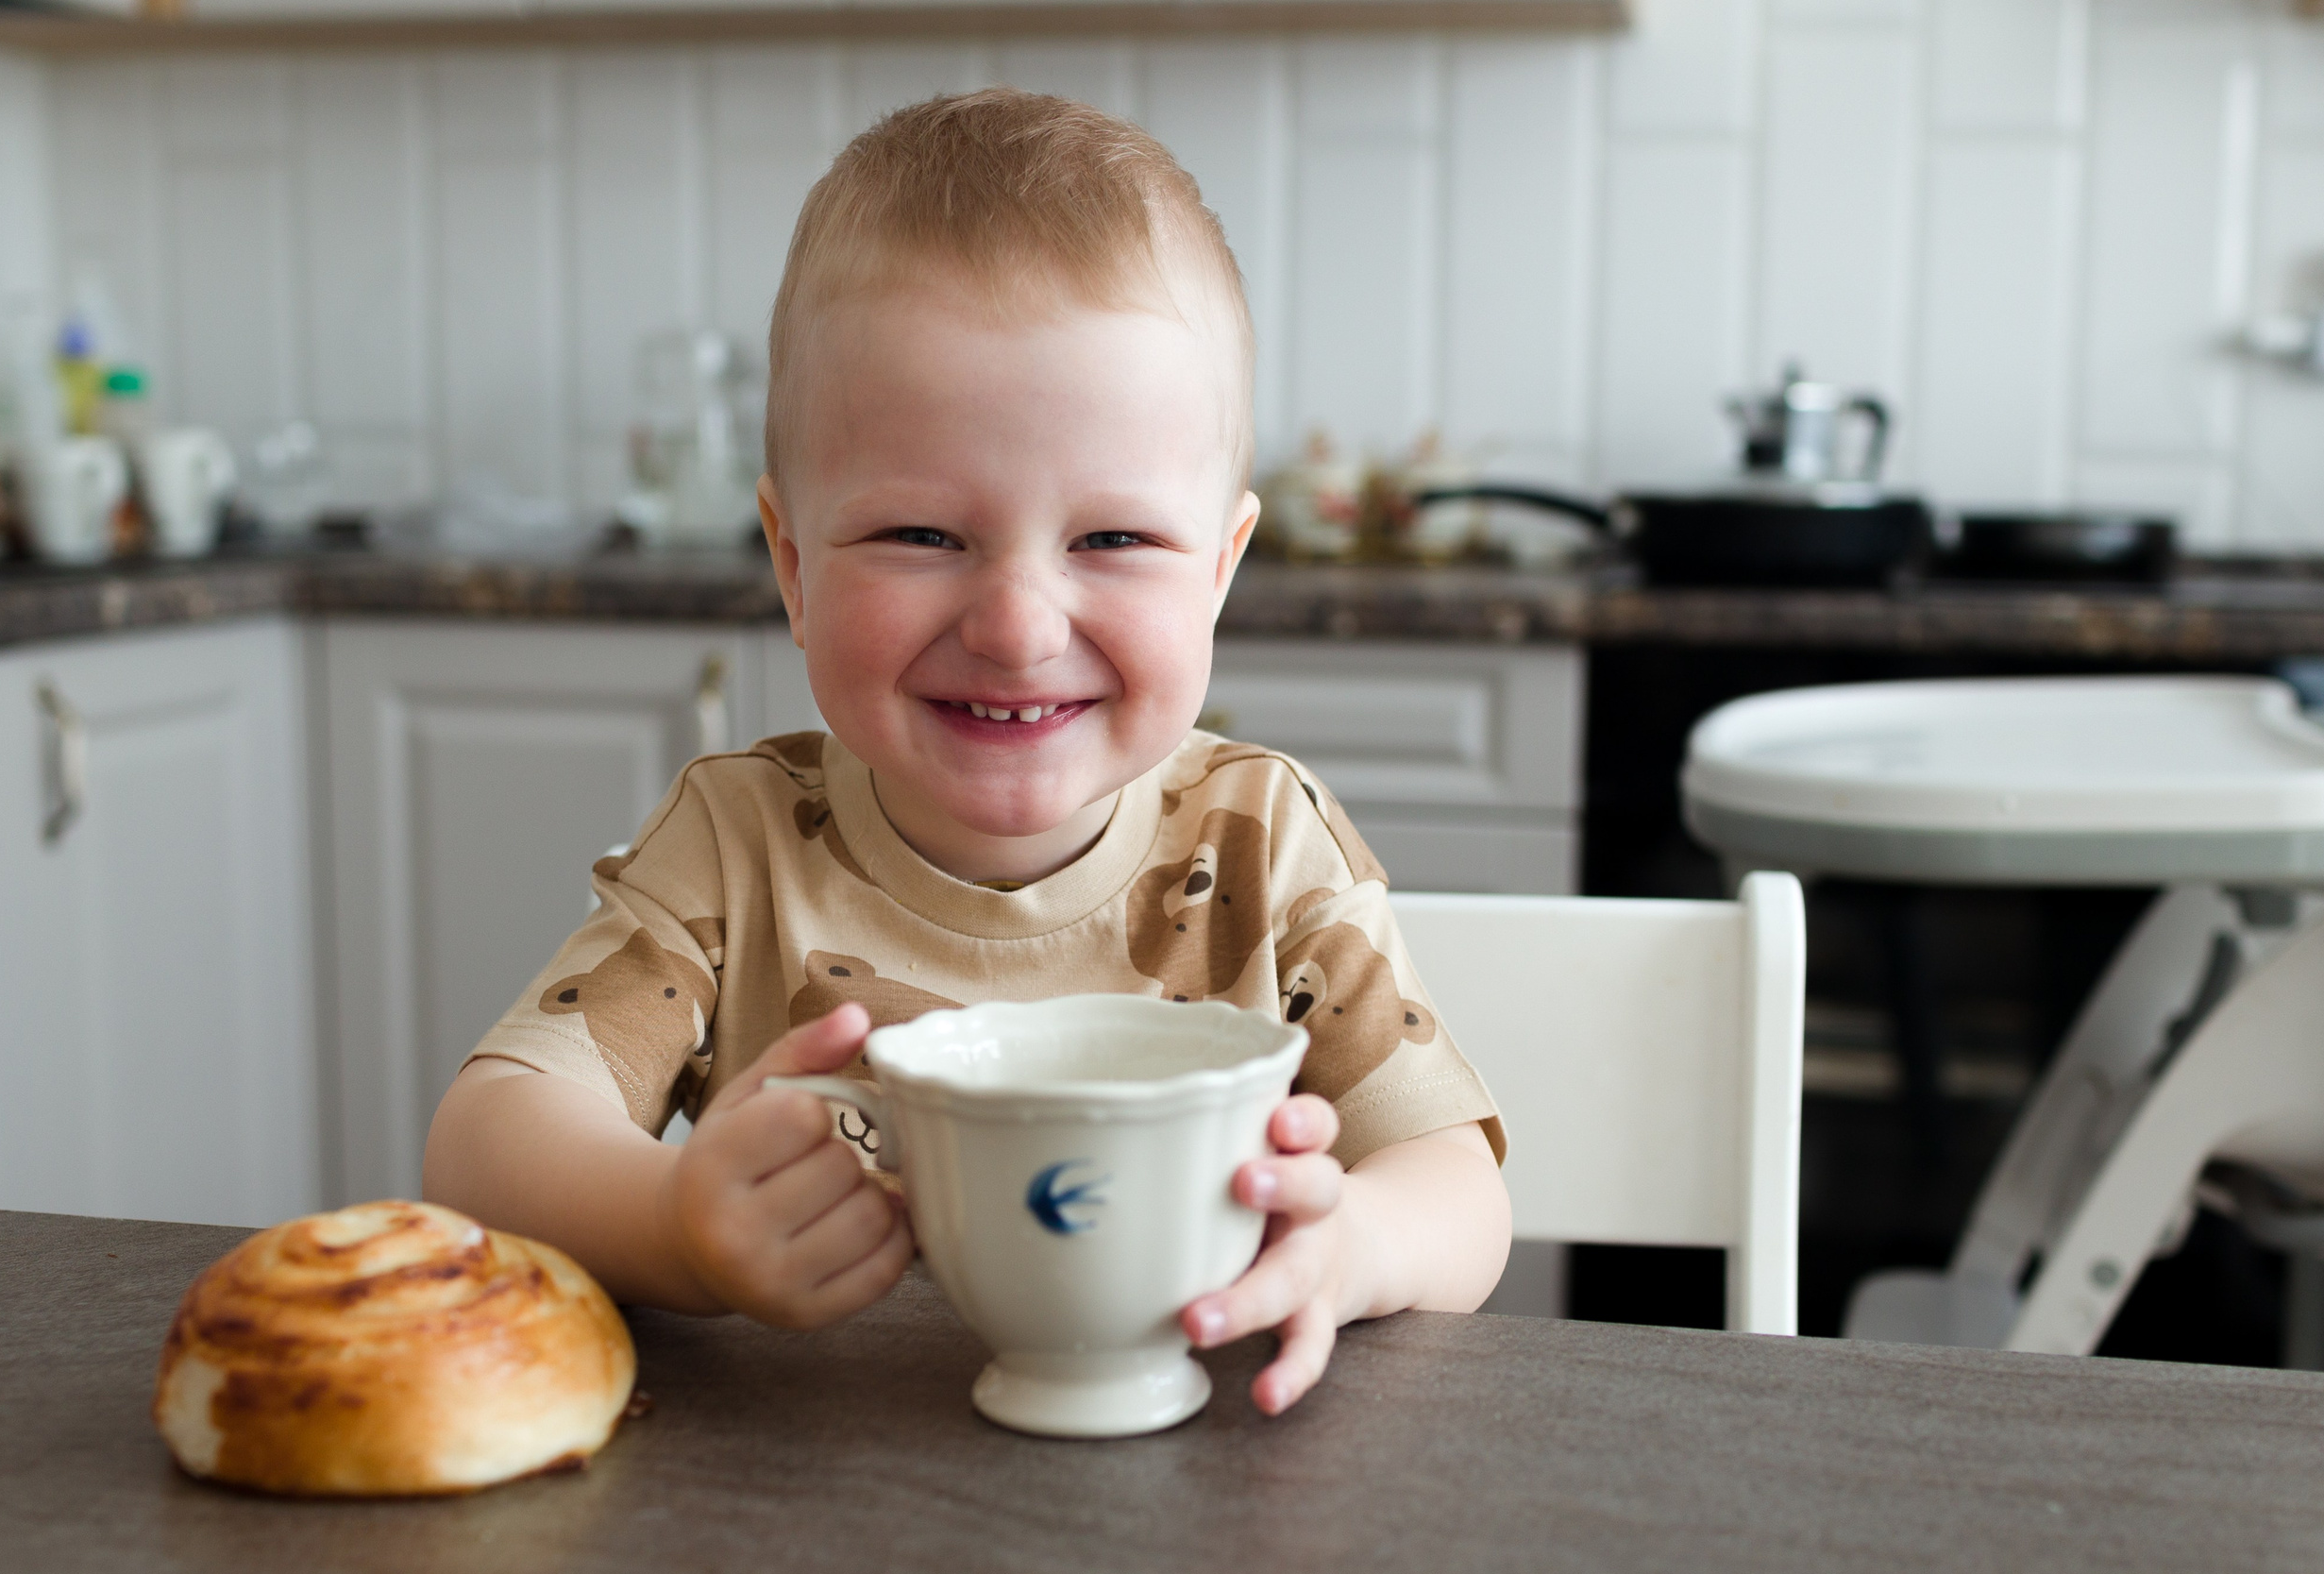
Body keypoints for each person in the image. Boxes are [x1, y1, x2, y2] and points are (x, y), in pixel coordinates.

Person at [423, 88, 1510, 1417]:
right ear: (794, 565)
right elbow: (482, 1146)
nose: (1016, 625)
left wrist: (1356, 1245)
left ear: (1220, 571)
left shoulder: (1264, 843)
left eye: (1113, 540)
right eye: (923, 537)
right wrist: (676, 1223)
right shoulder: (737, 843)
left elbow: (1462, 1191)